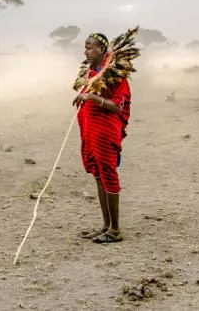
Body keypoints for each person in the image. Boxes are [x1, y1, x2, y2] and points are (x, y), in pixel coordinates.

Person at [73, 32, 131, 244]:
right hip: (90, 128)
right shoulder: (91, 71)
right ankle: (106, 225)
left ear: (102, 49)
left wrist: (92, 97)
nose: (87, 50)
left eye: (91, 47)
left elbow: (117, 105)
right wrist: (83, 96)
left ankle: (115, 229)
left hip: (105, 129)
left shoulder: (116, 73)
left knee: (107, 173)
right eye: (86, 46)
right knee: (98, 174)